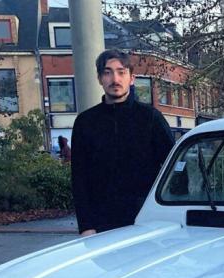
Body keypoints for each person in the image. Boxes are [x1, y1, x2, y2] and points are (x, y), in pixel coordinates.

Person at [71, 50, 174, 236]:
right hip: (102, 223)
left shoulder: (151, 118)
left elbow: (174, 170)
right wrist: (86, 226)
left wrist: (171, 216)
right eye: (107, 72)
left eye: (121, 72)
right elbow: (79, 178)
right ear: (99, 78)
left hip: (147, 221)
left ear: (131, 78)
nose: (114, 79)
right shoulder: (85, 122)